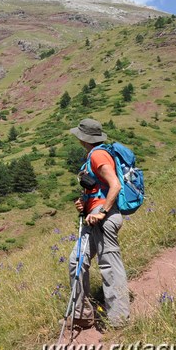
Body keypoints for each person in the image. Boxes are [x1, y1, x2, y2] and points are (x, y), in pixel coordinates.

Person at [66, 118, 130, 329]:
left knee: (109, 266)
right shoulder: (91, 156)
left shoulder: (99, 155)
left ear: (83, 137)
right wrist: (84, 203)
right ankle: (82, 315)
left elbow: (115, 185)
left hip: (104, 218)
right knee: (77, 261)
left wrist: (101, 212)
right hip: (92, 216)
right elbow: (98, 188)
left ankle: (118, 319)